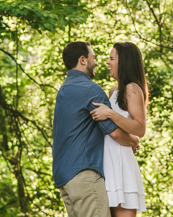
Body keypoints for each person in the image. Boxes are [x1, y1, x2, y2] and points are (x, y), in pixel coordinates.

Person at [53, 41, 140, 217]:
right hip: (84, 175)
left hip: (64, 177)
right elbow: (114, 132)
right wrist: (134, 140)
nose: (97, 63)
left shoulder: (64, 89)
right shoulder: (90, 89)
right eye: (93, 58)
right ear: (83, 60)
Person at [90, 42, 148, 216]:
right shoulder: (114, 90)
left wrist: (110, 114)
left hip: (121, 164)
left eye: (112, 58)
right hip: (107, 164)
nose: (107, 62)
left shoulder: (132, 88)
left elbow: (140, 128)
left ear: (124, 62)